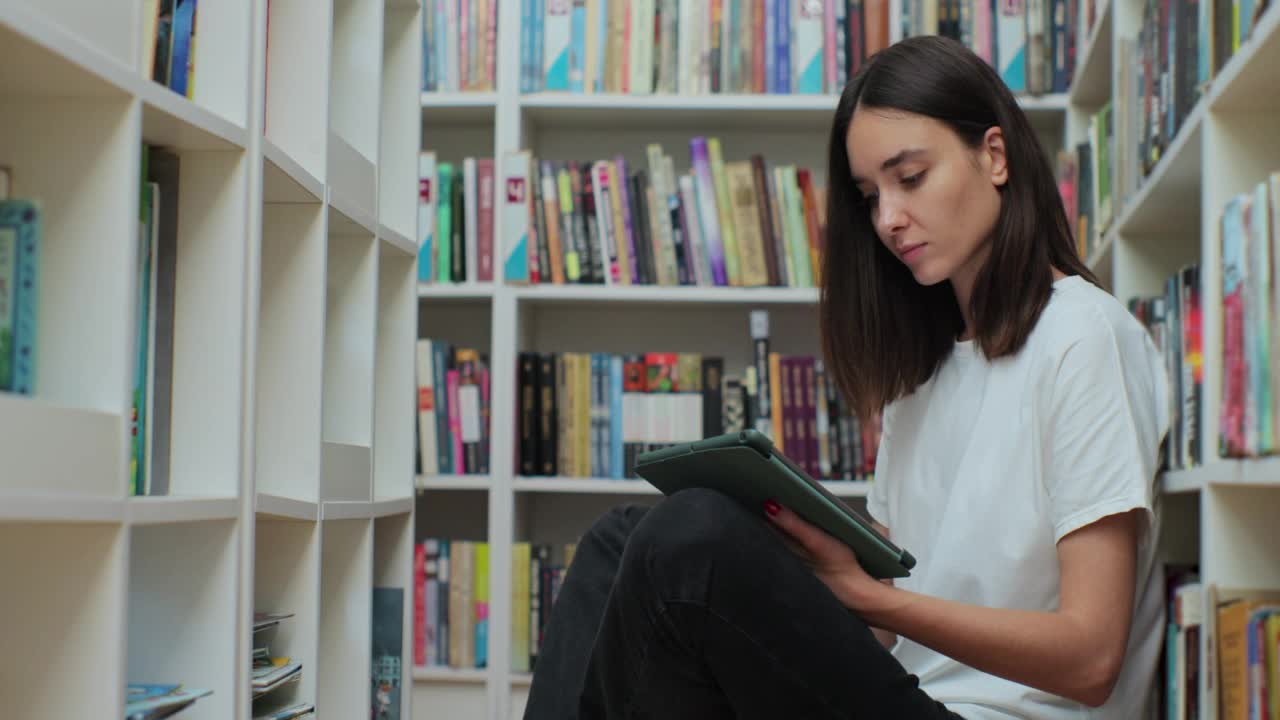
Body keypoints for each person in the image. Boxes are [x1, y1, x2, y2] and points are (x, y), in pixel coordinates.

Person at [523, 34, 1170, 720]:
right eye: (869, 195)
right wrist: (804, 569)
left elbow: (1092, 658)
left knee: (692, 537)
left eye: (911, 177)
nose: (889, 218)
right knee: (621, 539)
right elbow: (884, 635)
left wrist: (868, 597)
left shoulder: (1083, 336)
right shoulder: (919, 376)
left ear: (995, 155)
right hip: (911, 696)